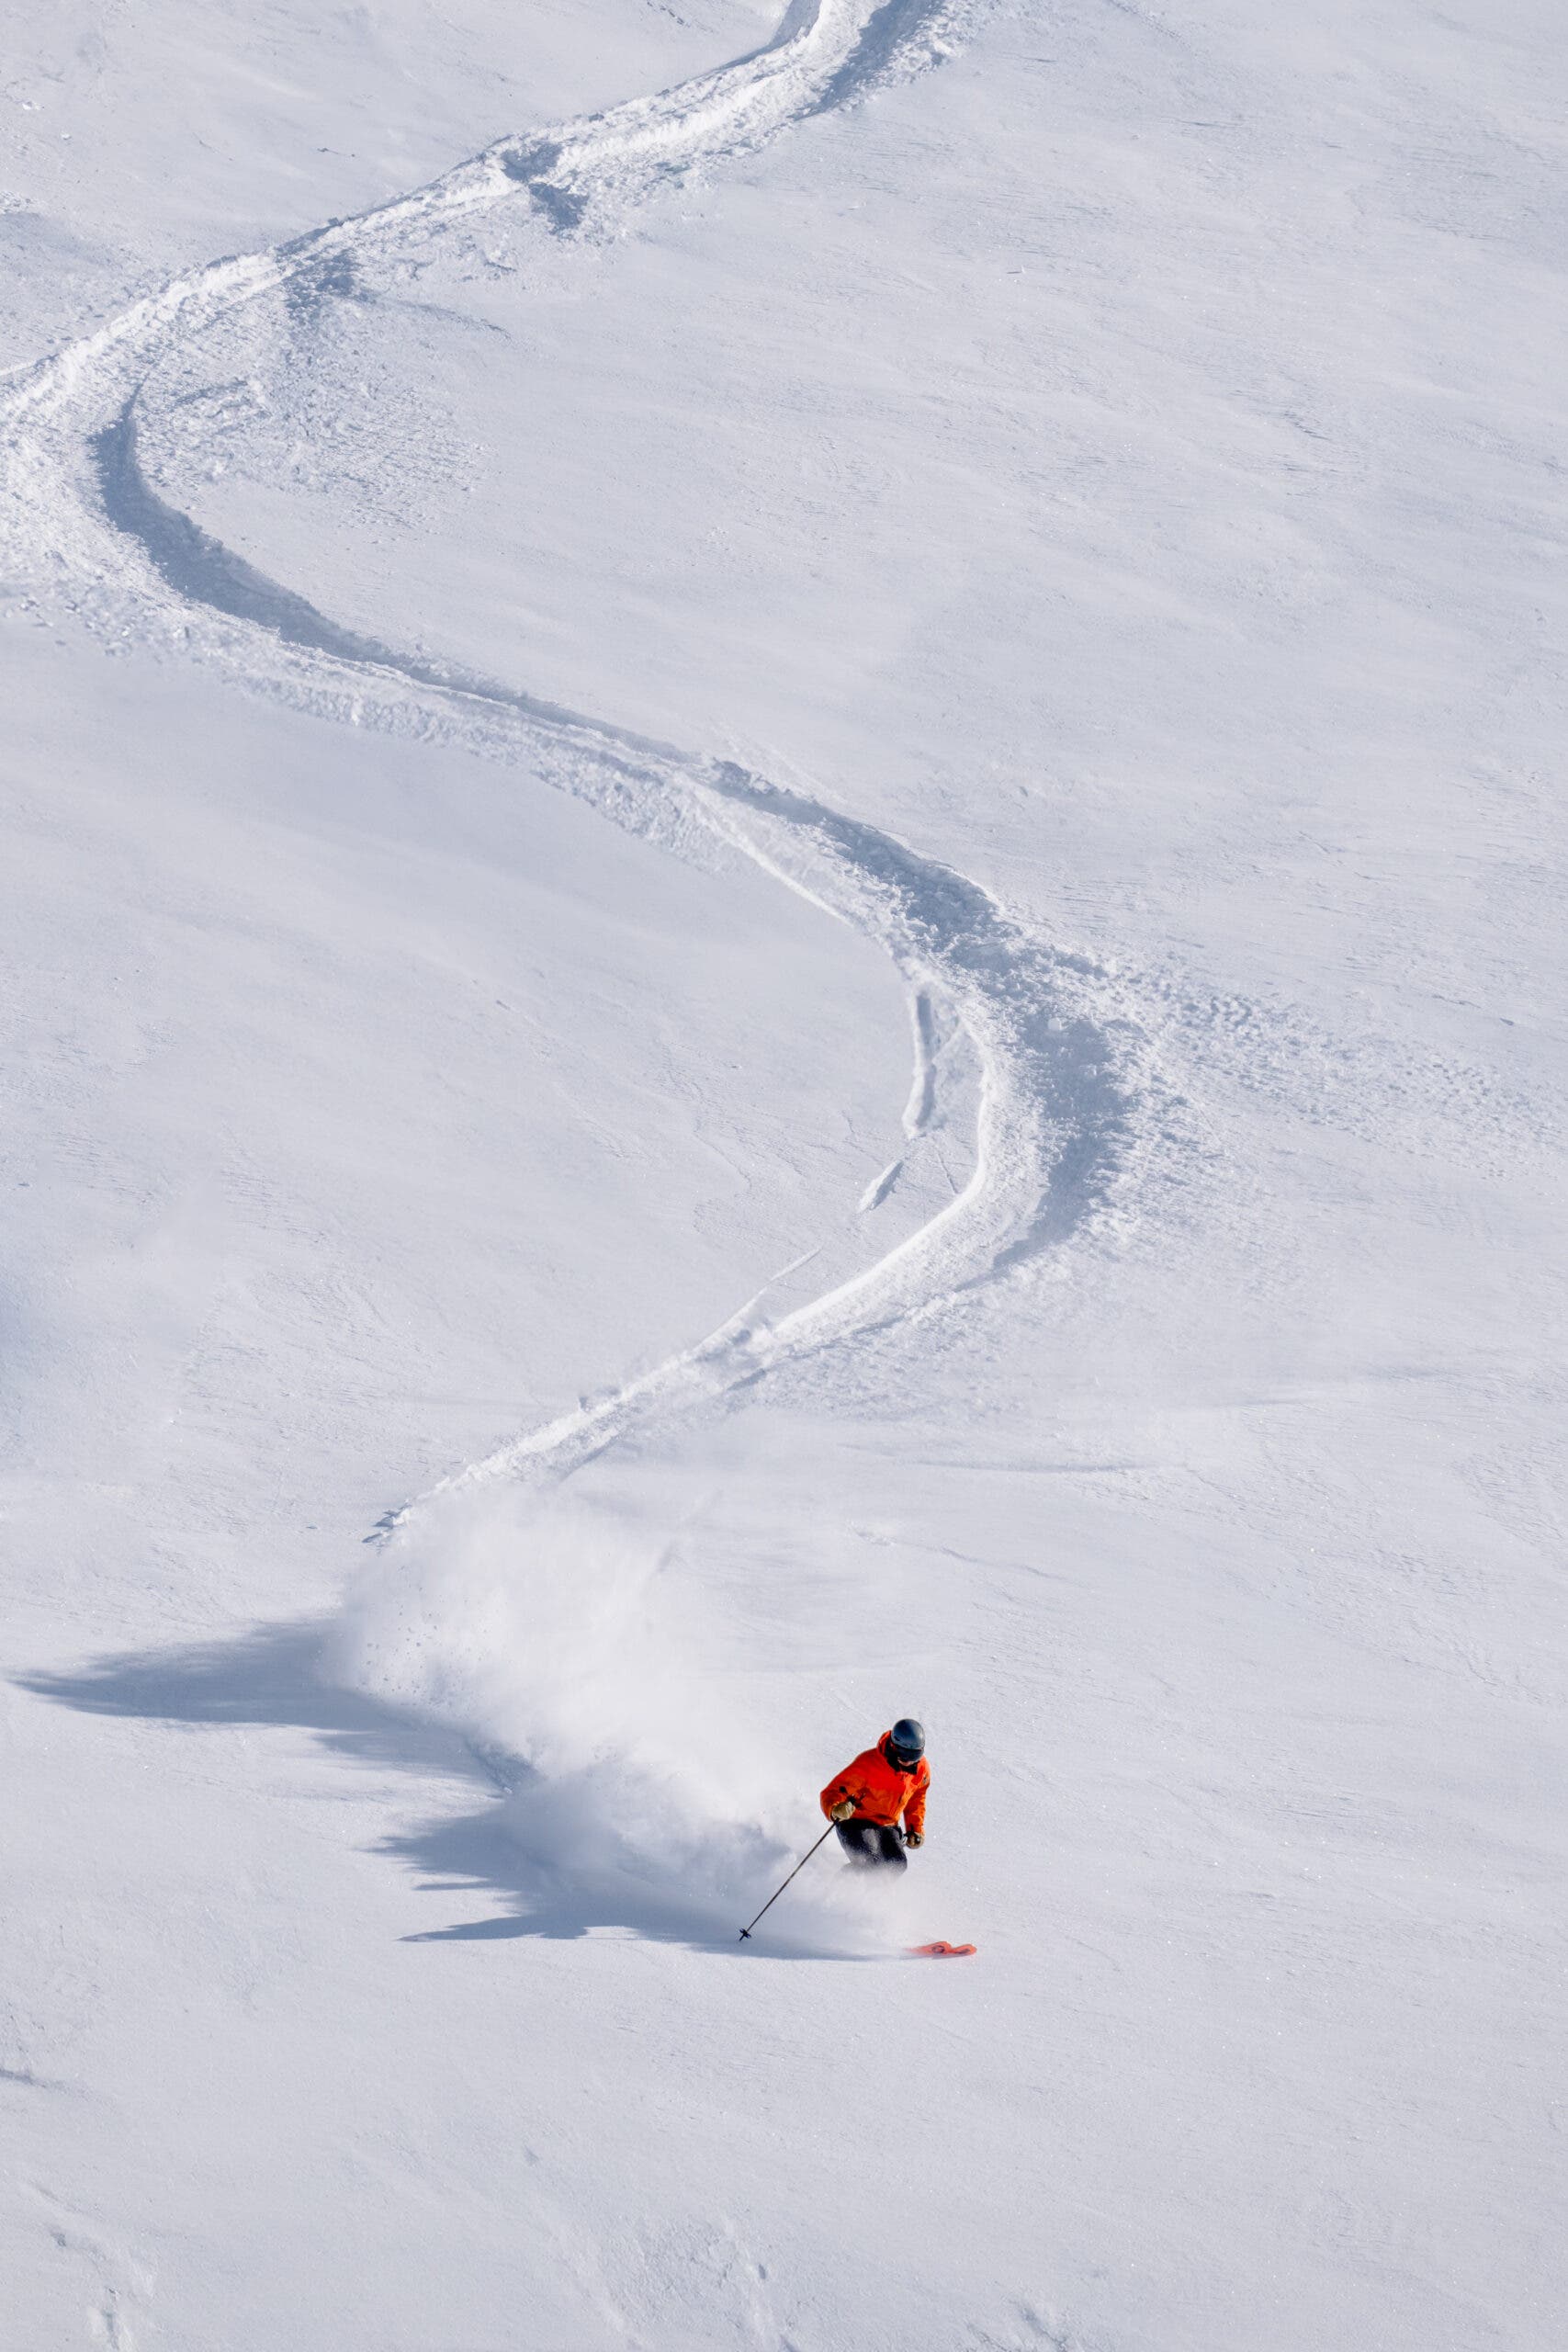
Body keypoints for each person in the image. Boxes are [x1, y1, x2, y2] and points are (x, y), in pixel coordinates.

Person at [819, 1719, 928, 1870]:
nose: (909, 1762)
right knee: (869, 1862)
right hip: (856, 1822)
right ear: (894, 1747)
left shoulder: (921, 1770)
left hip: (887, 1825)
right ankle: (835, 1889)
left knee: (897, 1865)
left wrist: (914, 1829)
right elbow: (833, 1791)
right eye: (904, 1756)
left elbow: (917, 1798)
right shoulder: (869, 1764)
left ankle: (872, 1893)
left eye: (914, 1756)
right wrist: (836, 1809)